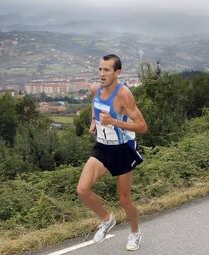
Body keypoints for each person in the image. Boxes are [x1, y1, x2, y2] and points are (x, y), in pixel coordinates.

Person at [76, 54, 148, 251]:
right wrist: (93, 120)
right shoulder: (96, 89)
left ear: (117, 72)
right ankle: (107, 220)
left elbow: (142, 126)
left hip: (122, 148)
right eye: (100, 69)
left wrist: (114, 122)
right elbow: (95, 102)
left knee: (124, 199)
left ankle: (135, 233)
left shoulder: (123, 94)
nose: (101, 74)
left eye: (106, 70)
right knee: (82, 189)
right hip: (103, 146)